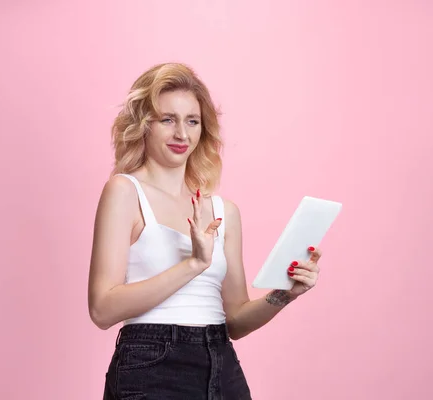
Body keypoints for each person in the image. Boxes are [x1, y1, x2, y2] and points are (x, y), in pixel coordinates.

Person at [88, 62, 323, 399]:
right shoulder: (124, 192)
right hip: (152, 362)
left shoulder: (223, 212)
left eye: (192, 121)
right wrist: (194, 264)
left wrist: (286, 292)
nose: (182, 134)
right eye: (168, 119)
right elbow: (102, 309)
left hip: (221, 362)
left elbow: (236, 322)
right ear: (144, 125)